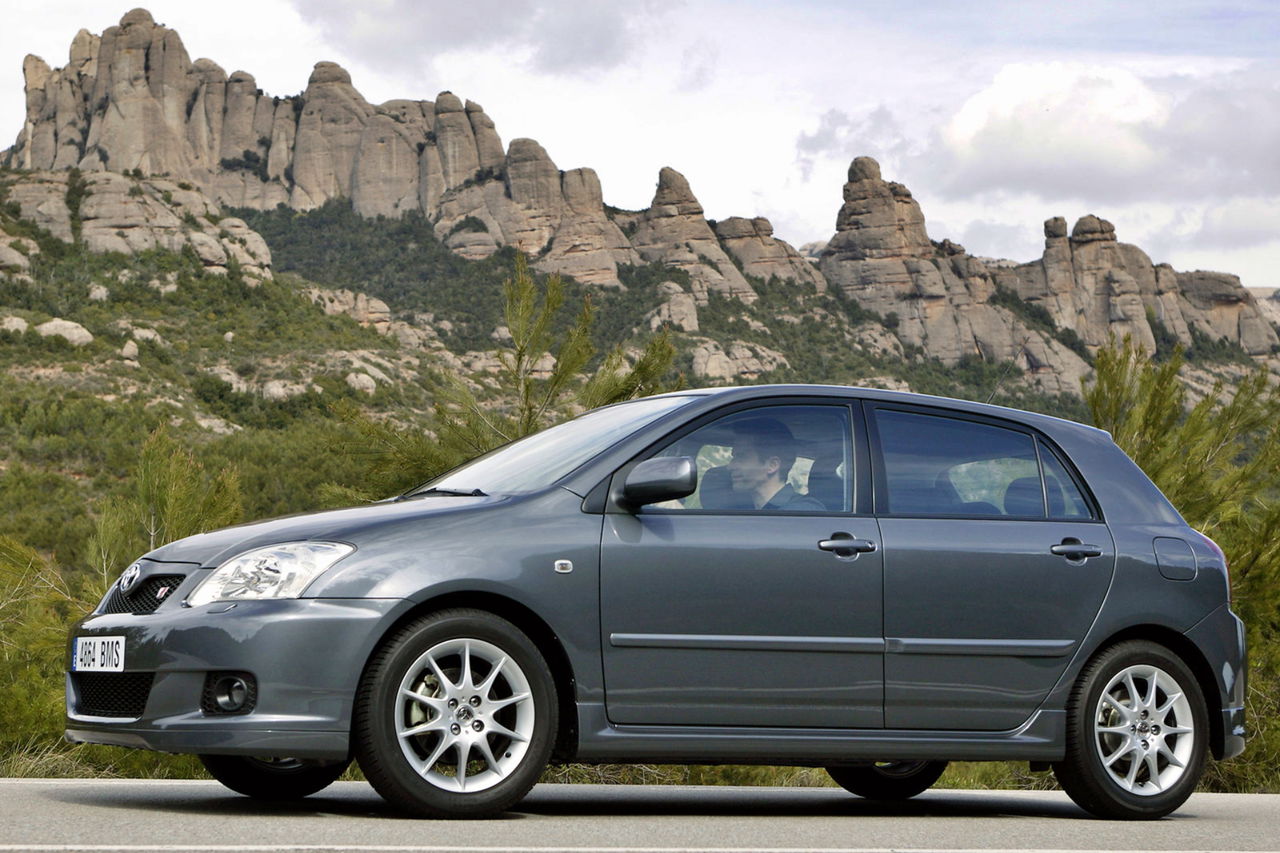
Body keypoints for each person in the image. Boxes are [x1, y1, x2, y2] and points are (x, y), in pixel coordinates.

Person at [727, 417, 825, 511]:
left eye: (741, 457)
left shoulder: (801, 511)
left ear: (772, 465)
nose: (730, 466)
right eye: (734, 457)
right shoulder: (743, 509)